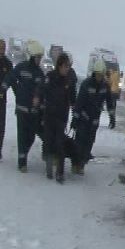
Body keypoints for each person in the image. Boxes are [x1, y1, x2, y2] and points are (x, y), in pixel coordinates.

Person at [0, 39, 45, 172]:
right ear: (31, 56)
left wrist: (41, 102)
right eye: (37, 57)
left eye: (40, 57)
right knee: (22, 136)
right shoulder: (21, 67)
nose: (39, 59)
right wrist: (3, 89)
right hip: (21, 110)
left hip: (34, 112)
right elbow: (10, 78)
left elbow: (42, 90)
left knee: (30, 136)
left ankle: (24, 153)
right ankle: (22, 162)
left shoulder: (40, 73)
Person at [71, 58, 116, 175]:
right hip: (83, 119)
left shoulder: (105, 86)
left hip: (94, 120)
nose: (99, 77)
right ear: (94, 73)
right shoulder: (86, 84)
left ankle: (82, 164)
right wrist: (75, 119)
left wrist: (112, 117)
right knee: (79, 142)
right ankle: (75, 163)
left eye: (101, 75)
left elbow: (110, 102)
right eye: (97, 75)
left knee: (89, 143)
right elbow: (79, 103)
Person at [42, 53, 72, 183]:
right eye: (65, 66)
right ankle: (49, 164)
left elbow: (71, 99)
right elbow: (41, 89)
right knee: (48, 142)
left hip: (61, 118)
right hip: (49, 116)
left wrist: (74, 109)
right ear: (59, 66)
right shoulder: (50, 77)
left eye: (68, 66)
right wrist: (38, 97)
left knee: (60, 145)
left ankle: (60, 173)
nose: (67, 69)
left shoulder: (68, 81)